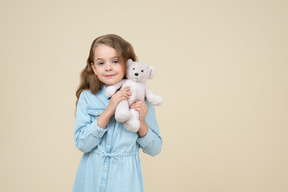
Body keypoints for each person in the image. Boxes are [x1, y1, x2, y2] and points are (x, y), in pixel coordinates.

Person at [73, 34, 162, 192]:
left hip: (125, 181)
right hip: (91, 179)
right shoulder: (88, 98)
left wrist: (141, 123)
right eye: (101, 63)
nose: (108, 67)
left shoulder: (142, 99)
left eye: (115, 61)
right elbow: (82, 143)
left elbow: (155, 149)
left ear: (128, 65)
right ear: (93, 68)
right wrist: (108, 111)